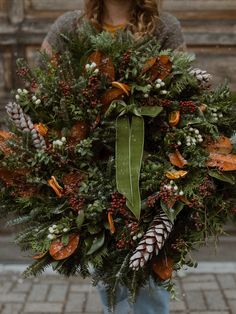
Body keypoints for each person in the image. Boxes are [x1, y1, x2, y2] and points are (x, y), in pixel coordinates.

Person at [41, 1, 186, 313]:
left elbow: (185, 92)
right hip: (92, 175)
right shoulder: (71, 26)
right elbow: (42, 82)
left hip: (148, 174)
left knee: (148, 274)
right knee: (110, 276)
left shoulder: (164, 28)